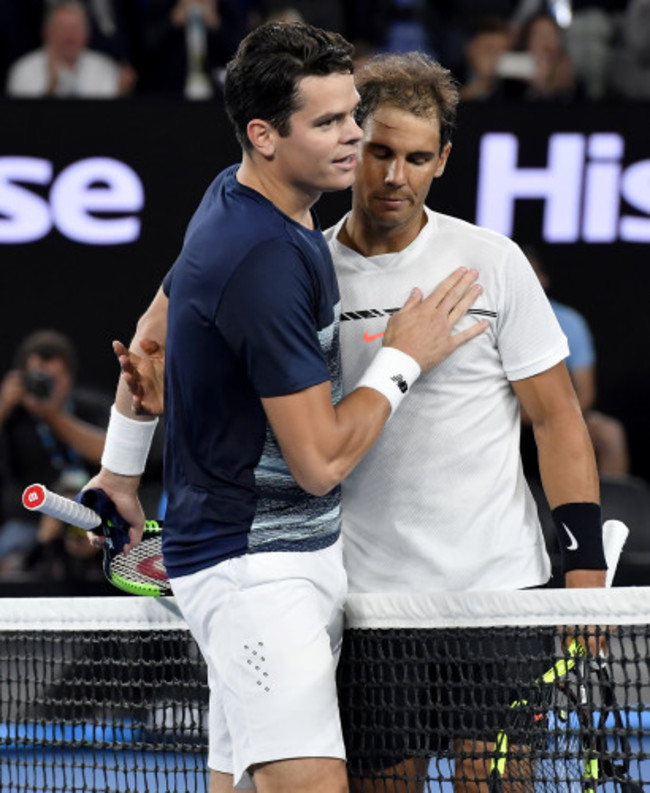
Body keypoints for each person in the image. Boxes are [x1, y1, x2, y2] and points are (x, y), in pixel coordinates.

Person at [115, 46, 607, 793]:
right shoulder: (296, 262)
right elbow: (163, 329)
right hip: (366, 598)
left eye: (415, 157)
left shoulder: (491, 262)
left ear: (442, 161)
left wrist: (584, 567)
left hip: (498, 593)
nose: (392, 174)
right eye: (374, 147)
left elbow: (559, 421)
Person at [84, 22, 487, 793]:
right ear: (264, 135)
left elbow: (150, 343)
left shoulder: (236, 195)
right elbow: (319, 460)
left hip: (258, 564)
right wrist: (404, 356)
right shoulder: (264, 260)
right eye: (329, 122)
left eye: (352, 113)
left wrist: (120, 472)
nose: (354, 136)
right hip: (257, 577)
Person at [0, 329, 109, 573]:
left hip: (90, 514)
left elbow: (108, 452)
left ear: (69, 378)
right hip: (28, 520)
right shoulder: (13, 416)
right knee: (10, 558)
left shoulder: (88, 406)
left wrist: (53, 415)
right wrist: (4, 404)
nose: (43, 386)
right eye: (37, 378)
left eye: (53, 379)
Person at [522, 244, 630, 478]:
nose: (528, 284)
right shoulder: (485, 321)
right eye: (520, 276)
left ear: (544, 279)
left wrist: (554, 418)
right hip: (502, 416)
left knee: (609, 433)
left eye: (534, 275)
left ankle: (611, 512)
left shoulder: (570, 322)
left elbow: (586, 394)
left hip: (561, 414)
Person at [5, 0, 127, 98]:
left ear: (87, 32)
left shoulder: (105, 68)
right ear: (47, 32)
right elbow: (24, 122)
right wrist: (52, 86)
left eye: (75, 27)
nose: (70, 35)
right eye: (62, 28)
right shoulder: (24, 71)